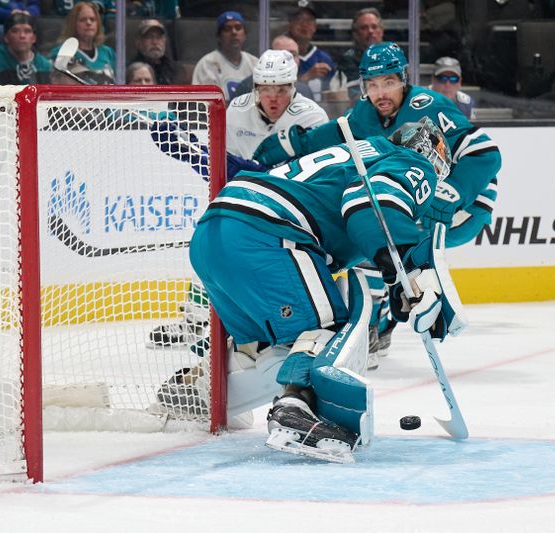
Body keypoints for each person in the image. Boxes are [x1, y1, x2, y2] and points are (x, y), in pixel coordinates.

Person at [189, 116, 464, 462]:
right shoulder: (412, 162)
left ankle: (196, 391)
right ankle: (296, 410)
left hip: (213, 234)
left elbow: (354, 223)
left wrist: (399, 281)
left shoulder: (358, 153)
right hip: (269, 235)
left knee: (266, 346)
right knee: (327, 328)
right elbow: (371, 206)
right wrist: (412, 265)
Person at [253, 43, 501, 363]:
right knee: (368, 233)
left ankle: (406, 312)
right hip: (422, 195)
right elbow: (333, 135)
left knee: (384, 233)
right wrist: (290, 145)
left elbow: (485, 151)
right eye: (372, 84)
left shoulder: (429, 105)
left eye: (388, 82)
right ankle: (381, 323)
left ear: (403, 79)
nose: (380, 92)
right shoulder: (365, 113)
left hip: (468, 202)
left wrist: (454, 192)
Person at [148, 50, 328, 353]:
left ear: (293, 88)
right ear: (256, 88)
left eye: (282, 90)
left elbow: (299, 180)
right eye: (266, 89)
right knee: (216, 239)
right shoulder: (234, 114)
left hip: (294, 211)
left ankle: (249, 325)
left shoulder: (312, 118)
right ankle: (195, 318)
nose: (274, 98)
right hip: (246, 199)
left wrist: (199, 154)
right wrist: (197, 154)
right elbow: (223, 169)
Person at [191, 11, 257, 102]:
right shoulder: (207, 64)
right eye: (227, 29)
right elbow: (203, 104)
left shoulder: (255, 63)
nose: (234, 32)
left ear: (245, 34)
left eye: (238, 28)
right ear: (219, 36)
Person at [49, 1, 116, 84]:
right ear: (73, 24)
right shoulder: (63, 52)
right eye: (83, 20)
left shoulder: (108, 52)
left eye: (92, 19)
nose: (88, 23)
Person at [234, 35, 314, 100]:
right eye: (282, 55)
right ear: (269, 56)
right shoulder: (248, 87)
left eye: (293, 55)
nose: (288, 60)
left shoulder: (305, 90)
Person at [285, 3, 335, 98]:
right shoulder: (280, 55)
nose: (304, 24)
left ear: (315, 27)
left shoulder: (324, 59)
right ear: (290, 25)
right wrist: (305, 78)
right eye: (298, 19)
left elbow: (331, 94)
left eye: (309, 20)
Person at [335, 7, 384, 100]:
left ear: (381, 31)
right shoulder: (348, 60)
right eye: (364, 28)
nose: (370, 31)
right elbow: (354, 92)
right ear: (355, 34)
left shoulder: (393, 57)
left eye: (374, 27)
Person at [0, 12, 52, 85]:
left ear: (34, 38)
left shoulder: (44, 65)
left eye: (27, 31)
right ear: (6, 37)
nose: (22, 36)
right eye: (15, 31)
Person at [129, 18, 188, 85]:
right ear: (138, 42)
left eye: (159, 37)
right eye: (149, 37)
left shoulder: (176, 70)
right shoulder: (129, 70)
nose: (155, 42)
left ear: (164, 41)